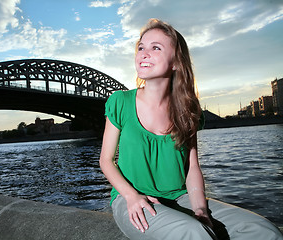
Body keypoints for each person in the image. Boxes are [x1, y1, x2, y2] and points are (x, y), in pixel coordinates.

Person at [99, 18, 283, 240]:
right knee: (193, 233)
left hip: (180, 197)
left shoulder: (188, 109)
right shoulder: (120, 101)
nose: (143, 53)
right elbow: (106, 161)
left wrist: (201, 210)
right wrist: (131, 196)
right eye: (141, 47)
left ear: (176, 61)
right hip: (132, 201)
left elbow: (192, 167)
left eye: (155, 47)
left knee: (262, 229)